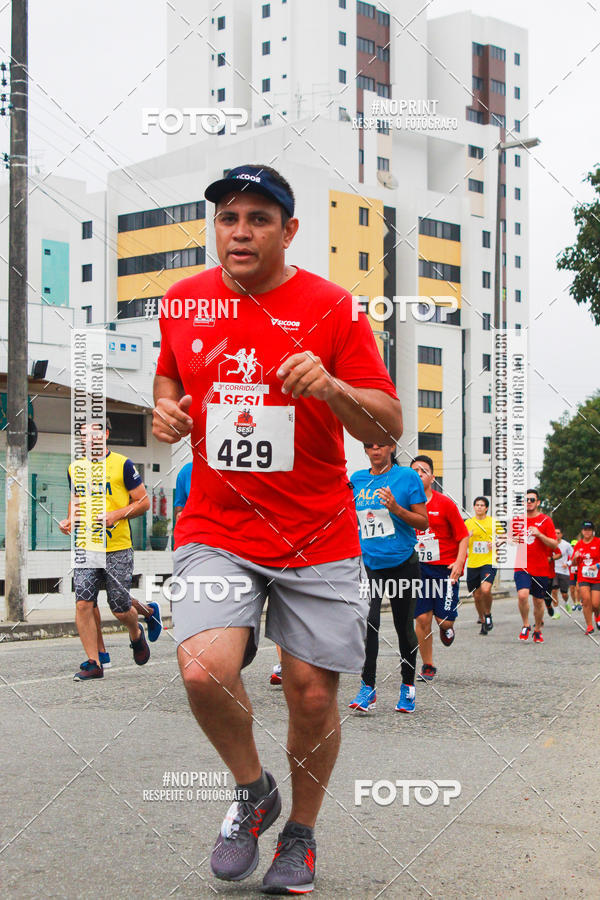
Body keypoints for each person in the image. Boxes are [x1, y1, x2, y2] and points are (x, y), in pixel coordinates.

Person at [151, 164, 402, 894]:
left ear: (288, 231)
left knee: (313, 695)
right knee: (203, 669)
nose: (240, 232)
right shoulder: (184, 301)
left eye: (259, 219)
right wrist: (167, 409)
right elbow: (170, 376)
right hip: (218, 525)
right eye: (229, 217)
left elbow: (387, 424)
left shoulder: (333, 308)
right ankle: (254, 790)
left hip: (316, 533)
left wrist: (332, 386)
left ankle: (300, 835)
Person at [59, 420, 162, 680]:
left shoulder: (122, 464)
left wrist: (116, 514)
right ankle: (93, 663)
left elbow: (143, 502)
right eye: (84, 436)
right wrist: (69, 520)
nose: (89, 440)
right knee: (83, 603)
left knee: (119, 607)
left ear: (105, 434)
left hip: (117, 547)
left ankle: (136, 633)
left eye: (94, 434)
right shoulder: (75, 468)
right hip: (86, 546)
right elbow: (75, 501)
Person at [348, 442, 427, 714]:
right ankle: (367, 687)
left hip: (403, 564)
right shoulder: (357, 480)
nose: (375, 450)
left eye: (380, 445)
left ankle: (408, 686)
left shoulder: (407, 477)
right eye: (369, 446)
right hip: (370, 565)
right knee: (368, 622)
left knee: (403, 628)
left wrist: (396, 508)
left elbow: (423, 521)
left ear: (391, 447)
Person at [410, 456, 469, 681]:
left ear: (432, 477)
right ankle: (428, 665)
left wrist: (459, 562)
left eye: (423, 471)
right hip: (419, 570)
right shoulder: (406, 505)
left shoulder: (445, 504)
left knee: (444, 621)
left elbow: (463, 536)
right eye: (414, 471)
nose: (418, 474)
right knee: (422, 619)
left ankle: (446, 628)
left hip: (445, 570)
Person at [513, 489, 558, 643]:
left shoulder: (546, 520)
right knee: (522, 595)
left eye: (532, 500)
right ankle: (526, 625)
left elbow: (554, 544)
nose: (529, 502)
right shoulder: (517, 520)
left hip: (540, 568)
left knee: (538, 601)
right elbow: (511, 540)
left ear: (538, 502)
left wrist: (539, 534)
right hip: (522, 566)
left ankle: (537, 629)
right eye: (526, 500)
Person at [464, 497, 498, 635]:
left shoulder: (493, 522)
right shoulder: (468, 523)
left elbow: (503, 538)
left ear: (486, 508)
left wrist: (495, 543)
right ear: (474, 507)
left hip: (489, 561)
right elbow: (462, 543)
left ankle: (488, 614)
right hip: (473, 563)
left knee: (485, 589)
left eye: (482, 505)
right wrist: (467, 536)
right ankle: (483, 619)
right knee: (477, 596)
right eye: (477, 505)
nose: (479, 507)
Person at [571, 521, 600, 635]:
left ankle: (597, 615)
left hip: (597, 578)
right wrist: (575, 557)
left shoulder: (598, 542)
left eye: (589, 530)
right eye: (585, 530)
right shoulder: (578, 545)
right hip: (583, 577)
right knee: (586, 600)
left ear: (593, 531)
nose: (587, 532)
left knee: (596, 604)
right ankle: (589, 626)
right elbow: (573, 563)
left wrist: (597, 566)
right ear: (582, 531)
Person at [550, 526, 571, 614]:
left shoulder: (566, 545)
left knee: (564, 594)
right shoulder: (550, 543)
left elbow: (573, 556)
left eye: (558, 533)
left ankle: (566, 602)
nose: (556, 535)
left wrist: (568, 564)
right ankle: (556, 611)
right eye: (554, 533)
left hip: (564, 571)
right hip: (553, 570)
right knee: (554, 591)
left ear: (561, 535)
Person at [569, 537, 581, 611]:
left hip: (579, 572)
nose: (574, 547)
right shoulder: (569, 553)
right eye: (572, 546)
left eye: (575, 546)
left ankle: (579, 602)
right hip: (571, 573)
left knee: (578, 588)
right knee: (572, 589)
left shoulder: (580, 553)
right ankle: (575, 603)